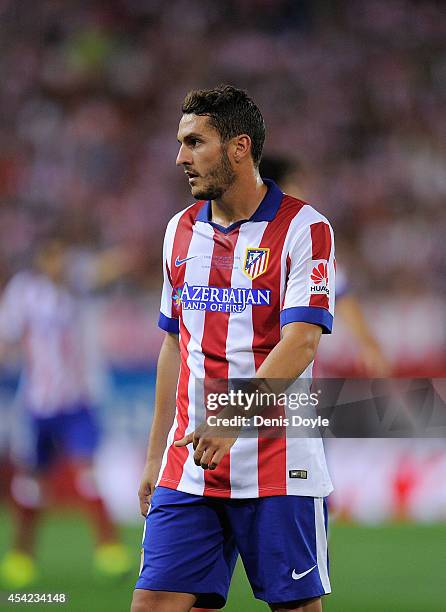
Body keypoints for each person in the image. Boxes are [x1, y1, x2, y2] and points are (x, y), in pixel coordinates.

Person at [132, 85, 335, 612]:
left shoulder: (304, 228)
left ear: (238, 147)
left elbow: (302, 340)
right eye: (181, 143)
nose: (180, 157)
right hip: (191, 467)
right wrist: (156, 456)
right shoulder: (178, 230)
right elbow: (174, 347)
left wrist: (232, 416)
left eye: (195, 142)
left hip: (278, 464)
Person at [0, 237, 132, 589]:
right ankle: (21, 556)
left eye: (62, 257)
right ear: (41, 261)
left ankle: (109, 552)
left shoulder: (78, 286)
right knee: (30, 485)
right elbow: (7, 334)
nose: (57, 264)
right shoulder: (23, 292)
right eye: (51, 258)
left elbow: (113, 265)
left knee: (88, 474)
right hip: (36, 405)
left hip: (78, 402)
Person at [259, 155, 391, 377]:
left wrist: (367, 343)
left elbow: (338, 291)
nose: (304, 193)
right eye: (297, 184)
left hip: (287, 374)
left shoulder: (304, 238)